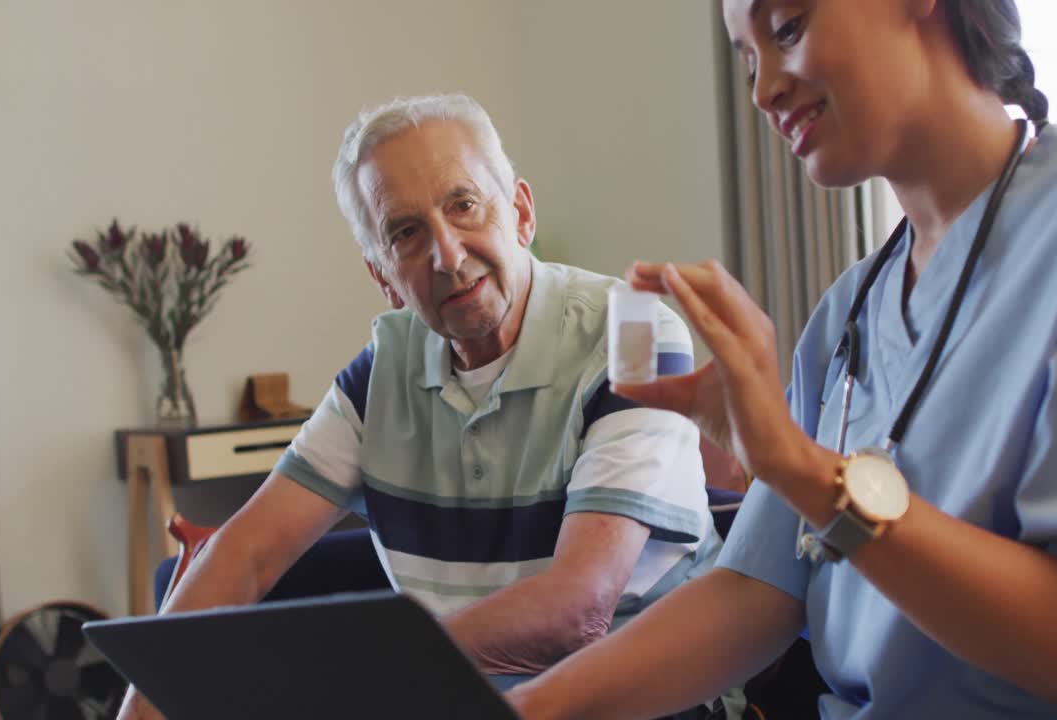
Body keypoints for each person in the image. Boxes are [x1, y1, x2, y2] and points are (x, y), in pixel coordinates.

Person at [508, 0, 1057, 718]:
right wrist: (529, 707)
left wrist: (796, 464)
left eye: (787, 30)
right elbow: (758, 591)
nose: (762, 89)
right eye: (748, 59)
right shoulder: (851, 310)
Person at [116, 94, 721, 719]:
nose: (448, 256)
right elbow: (247, 553)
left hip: (642, 705)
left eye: (464, 206)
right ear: (383, 276)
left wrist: (368, 675)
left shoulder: (634, 335)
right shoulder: (380, 372)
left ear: (520, 212)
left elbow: (579, 608)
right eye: (405, 233)